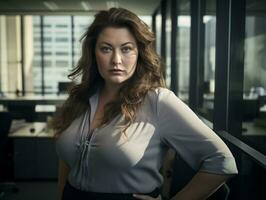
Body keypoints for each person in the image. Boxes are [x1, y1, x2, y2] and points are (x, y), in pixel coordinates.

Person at [51, 7, 238, 200]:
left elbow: (221, 161)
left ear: (139, 53)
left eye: (126, 49)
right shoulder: (79, 99)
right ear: (93, 52)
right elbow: (67, 159)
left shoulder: (157, 101)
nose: (116, 60)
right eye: (106, 49)